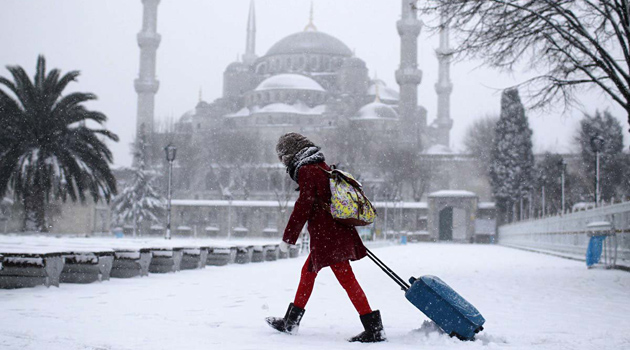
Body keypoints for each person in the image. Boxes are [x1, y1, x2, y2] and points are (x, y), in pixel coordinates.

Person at [265, 132, 386, 343]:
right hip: (331, 233)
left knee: (346, 279)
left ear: (290, 154)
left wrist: (288, 238)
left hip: (328, 236)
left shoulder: (306, 170)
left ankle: (373, 327)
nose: (282, 162)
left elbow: (303, 206)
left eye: (282, 156)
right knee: (308, 273)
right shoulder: (321, 166)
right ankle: (290, 322)